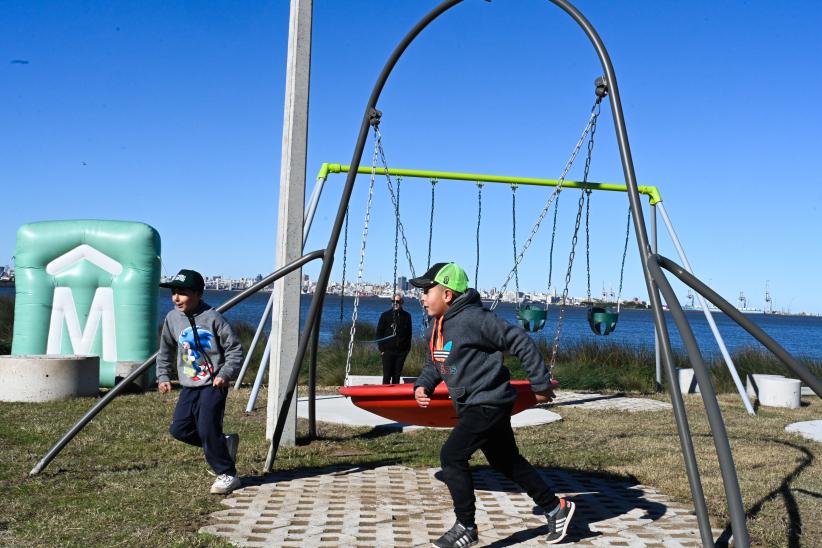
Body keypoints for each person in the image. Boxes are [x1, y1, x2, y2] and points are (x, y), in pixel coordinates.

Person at [411, 262, 574, 547]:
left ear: (447, 295)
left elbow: (518, 340)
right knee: (506, 461)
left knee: (452, 456)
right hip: (473, 405)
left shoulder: (475, 319)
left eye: (427, 290)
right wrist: (422, 385)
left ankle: (466, 526)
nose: (422, 297)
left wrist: (540, 384)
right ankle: (555, 508)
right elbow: (435, 362)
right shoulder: (435, 327)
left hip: (489, 402)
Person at [156, 269, 244, 495]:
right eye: (174, 293)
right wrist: (163, 376)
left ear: (198, 294)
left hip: (214, 384)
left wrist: (225, 374)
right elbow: (165, 350)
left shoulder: (213, 318)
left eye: (182, 293)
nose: (176, 298)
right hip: (189, 385)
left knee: (206, 428)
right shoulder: (172, 319)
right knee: (179, 429)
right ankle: (221, 444)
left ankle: (227, 474)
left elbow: (234, 349)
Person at [375, 293, 413, 384]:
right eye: (393, 301)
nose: (395, 303)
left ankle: (395, 396)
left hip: (401, 352)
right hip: (388, 351)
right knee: (387, 375)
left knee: (397, 376)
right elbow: (379, 333)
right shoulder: (385, 315)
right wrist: (382, 349)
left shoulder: (407, 316)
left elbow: (409, 334)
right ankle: (384, 396)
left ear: (402, 302)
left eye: (398, 301)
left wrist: (406, 350)